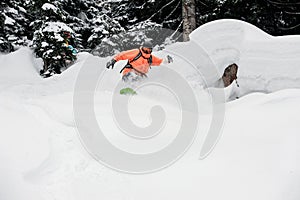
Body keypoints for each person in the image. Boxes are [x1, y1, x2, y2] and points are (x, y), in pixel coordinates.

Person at [106, 41, 173, 82]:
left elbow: (160, 61)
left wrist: (167, 60)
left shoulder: (150, 58)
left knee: (145, 82)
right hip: (129, 72)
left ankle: (144, 95)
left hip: (141, 75)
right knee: (132, 78)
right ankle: (127, 90)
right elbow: (123, 55)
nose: (147, 51)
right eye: (145, 49)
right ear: (142, 48)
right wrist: (114, 60)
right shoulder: (136, 52)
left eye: (149, 50)